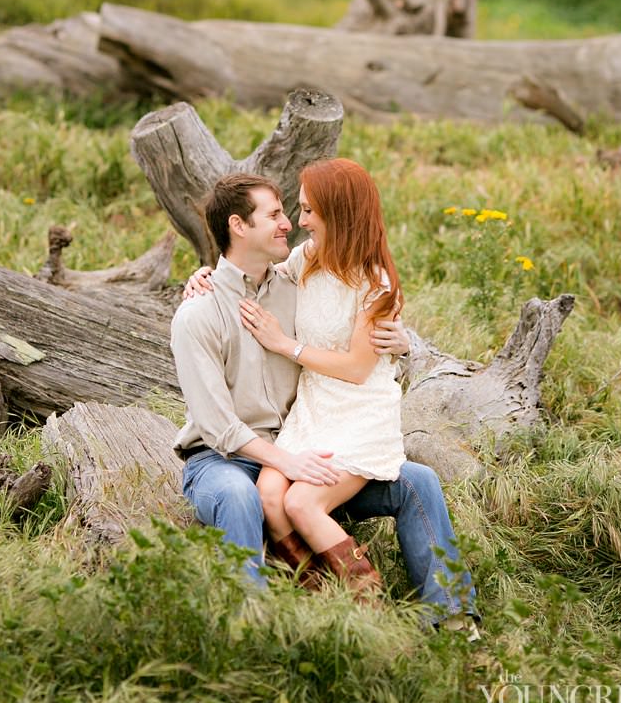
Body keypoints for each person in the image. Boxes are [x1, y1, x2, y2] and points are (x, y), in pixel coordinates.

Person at [170, 170, 477, 627]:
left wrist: (404, 341)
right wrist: (202, 276)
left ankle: (451, 616)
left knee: (418, 480)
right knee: (241, 495)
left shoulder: (296, 281)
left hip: (309, 440)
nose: (291, 223)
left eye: (298, 211)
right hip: (226, 458)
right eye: (275, 214)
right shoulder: (200, 311)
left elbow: (353, 314)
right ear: (238, 226)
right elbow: (218, 427)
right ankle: (254, 624)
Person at [238, 158, 406, 594]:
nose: (300, 221)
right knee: (270, 498)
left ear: (340, 214)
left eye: (310, 211)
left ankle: (371, 604)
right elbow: (258, 279)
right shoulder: (307, 258)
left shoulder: (375, 282)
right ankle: (317, 594)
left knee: (301, 502)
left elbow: (356, 367)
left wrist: (285, 345)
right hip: (312, 408)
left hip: (358, 413)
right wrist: (205, 277)